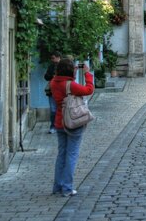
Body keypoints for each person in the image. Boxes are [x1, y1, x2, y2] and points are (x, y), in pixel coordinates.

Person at [50, 57, 94, 196]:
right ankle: (67, 188)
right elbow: (89, 89)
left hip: (59, 122)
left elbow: (66, 86)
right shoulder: (70, 85)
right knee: (72, 155)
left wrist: (71, 74)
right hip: (72, 122)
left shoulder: (53, 82)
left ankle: (57, 187)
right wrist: (87, 74)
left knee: (61, 155)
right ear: (70, 70)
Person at [44, 51, 62, 134]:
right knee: (53, 110)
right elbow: (46, 77)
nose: (52, 60)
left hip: (62, 91)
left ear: (58, 57)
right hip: (52, 91)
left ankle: (62, 126)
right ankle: (53, 126)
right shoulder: (51, 66)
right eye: (51, 58)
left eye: (53, 58)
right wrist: (52, 76)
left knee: (63, 110)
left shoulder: (64, 65)